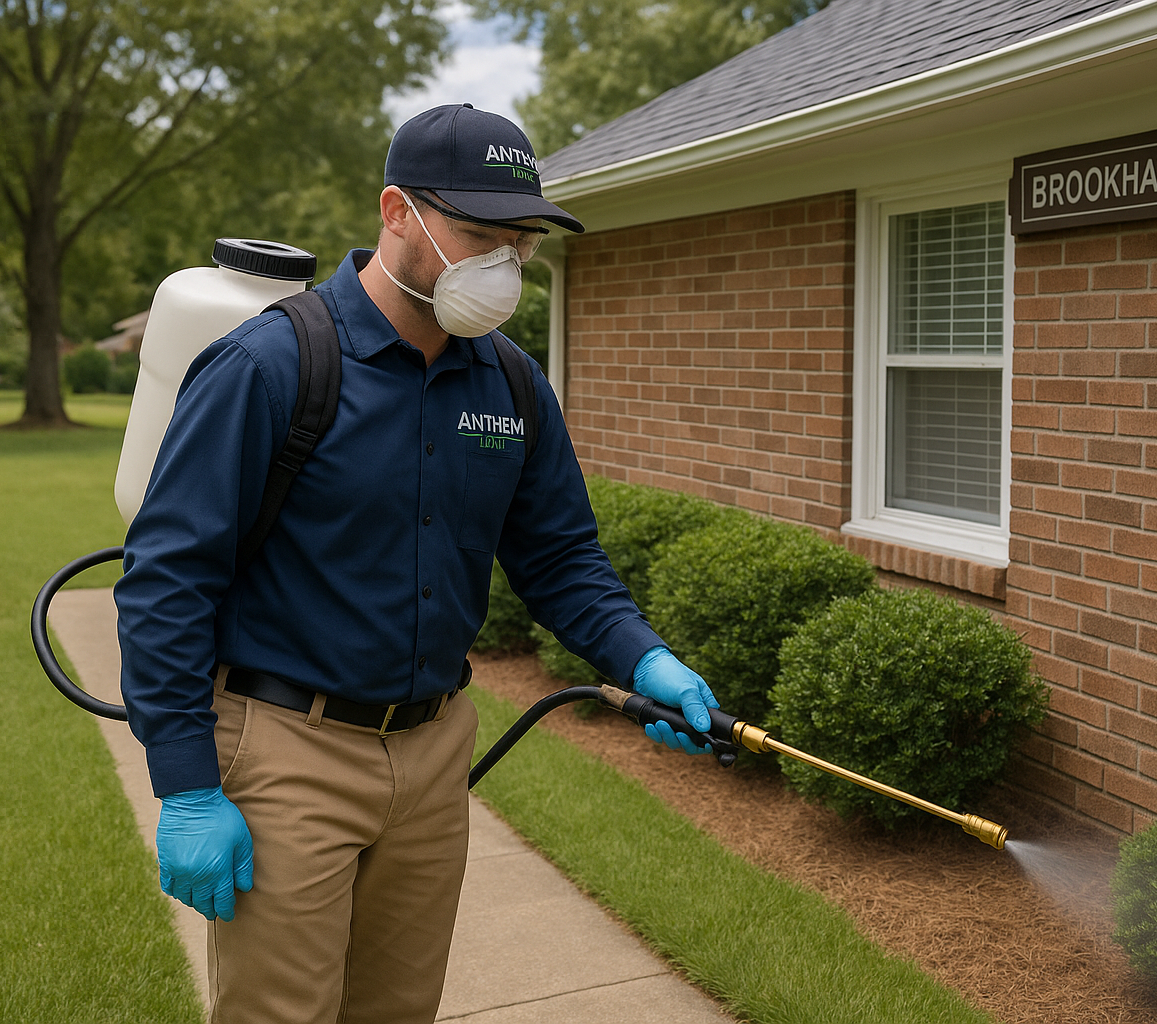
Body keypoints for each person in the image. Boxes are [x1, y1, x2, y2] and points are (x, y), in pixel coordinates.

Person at [114, 103, 719, 1024]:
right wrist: (189, 785)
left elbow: (560, 557)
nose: (503, 265)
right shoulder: (273, 366)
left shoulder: (512, 383)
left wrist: (644, 659)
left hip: (433, 754)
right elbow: (166, 579)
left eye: (520, 242)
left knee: (398, 1009)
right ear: (397, 211)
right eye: (479, 234)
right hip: (287, 747)